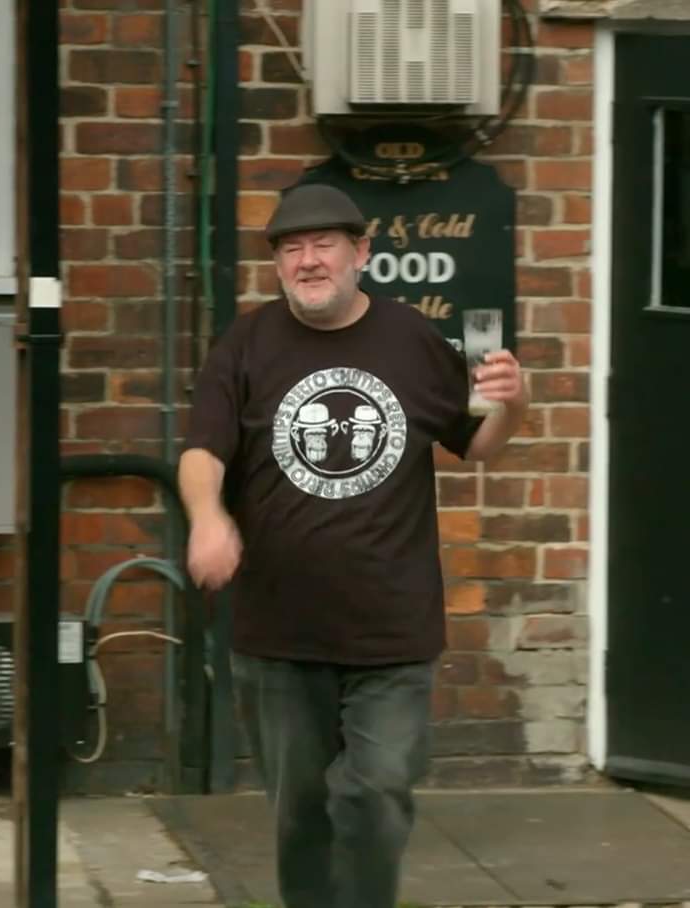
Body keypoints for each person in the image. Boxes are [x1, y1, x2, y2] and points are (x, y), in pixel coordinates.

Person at [179, 182, 528, 908]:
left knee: (375, 796)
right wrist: (209, 518)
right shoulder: (246, 343)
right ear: (277, 263)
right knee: (300, 815)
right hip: (279, 631)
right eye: (290, 249)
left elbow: (477, 443)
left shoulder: (411, 339)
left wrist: (513, 406)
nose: (307, 261)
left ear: (361, 252)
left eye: (323, 244)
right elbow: (202, 451)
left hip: (391, 630)